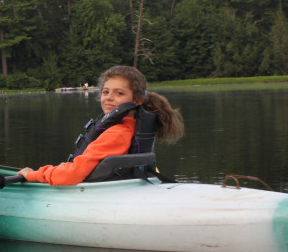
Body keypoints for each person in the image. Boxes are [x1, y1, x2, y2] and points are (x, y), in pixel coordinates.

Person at [18, 65, 184, 186]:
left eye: (119, 93)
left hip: (96, 193)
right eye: (106, 92)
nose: (109, 98)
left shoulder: (117, 133)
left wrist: (33, 175)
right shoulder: (127, 128)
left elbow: (70, 176)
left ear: (137, 101)